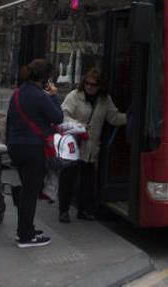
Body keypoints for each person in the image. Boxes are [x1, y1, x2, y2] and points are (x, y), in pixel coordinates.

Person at [6, 59, 62, 248]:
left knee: (27, 188)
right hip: (33, 148)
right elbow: (58, 117)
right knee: (31, 191)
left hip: (16, 147)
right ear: (45, 79)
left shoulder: (17, 93)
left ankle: (25, 229)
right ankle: (26, 236)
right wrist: (54, 96)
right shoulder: (41, 96)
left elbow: (9, 122)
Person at [59, 68, 126, 223]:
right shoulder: (74, 96)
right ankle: (63, 210)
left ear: (100, 86)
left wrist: (130, 117)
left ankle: (83, 210)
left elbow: (113, 117)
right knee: (68, 178)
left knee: (87, 181)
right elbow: (63, 115)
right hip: (73, 145)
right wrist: (78, 125)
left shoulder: (104, 100)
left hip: (90, 147)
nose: (90, 87)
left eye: (94, 84)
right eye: (87, 83)